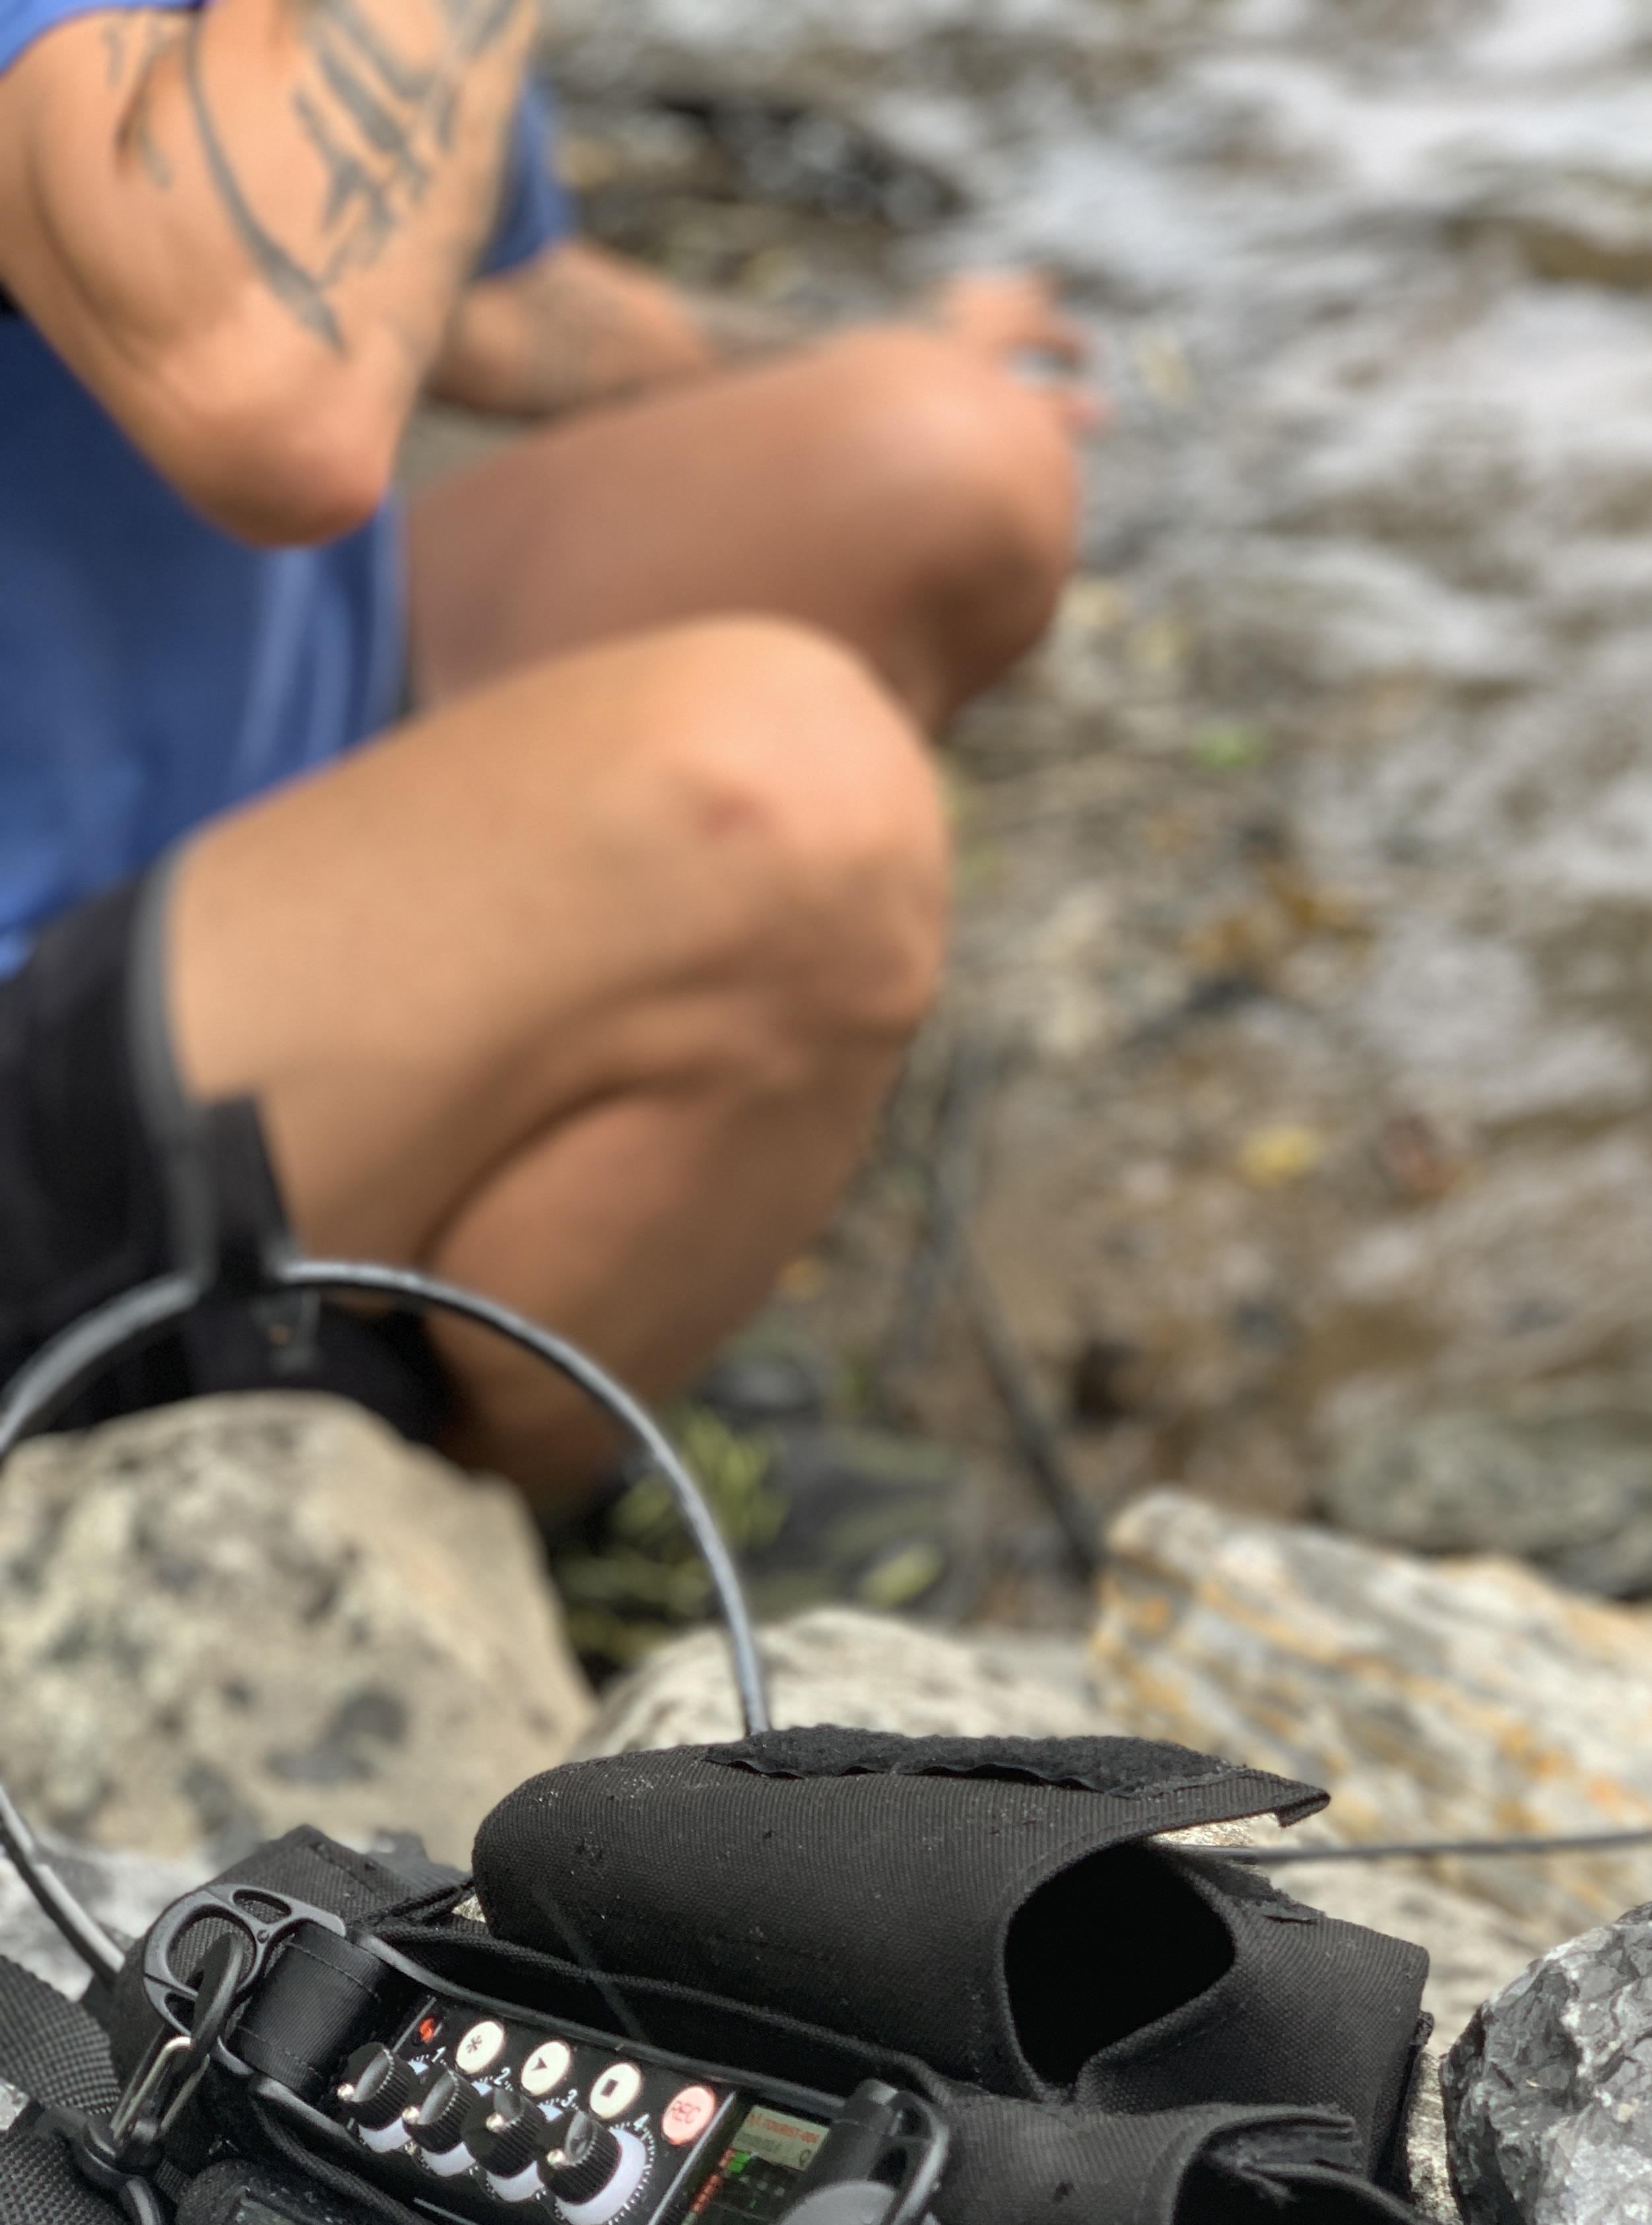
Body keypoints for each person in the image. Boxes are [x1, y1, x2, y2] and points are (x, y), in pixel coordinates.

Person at [0, 0, 1089, 1487]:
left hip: (252, 742)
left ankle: (467, 1240)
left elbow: (474, 301)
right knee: (792, 810)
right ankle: (465, 1520)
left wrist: (880, 358)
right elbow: (269, 389)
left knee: (950, 465)